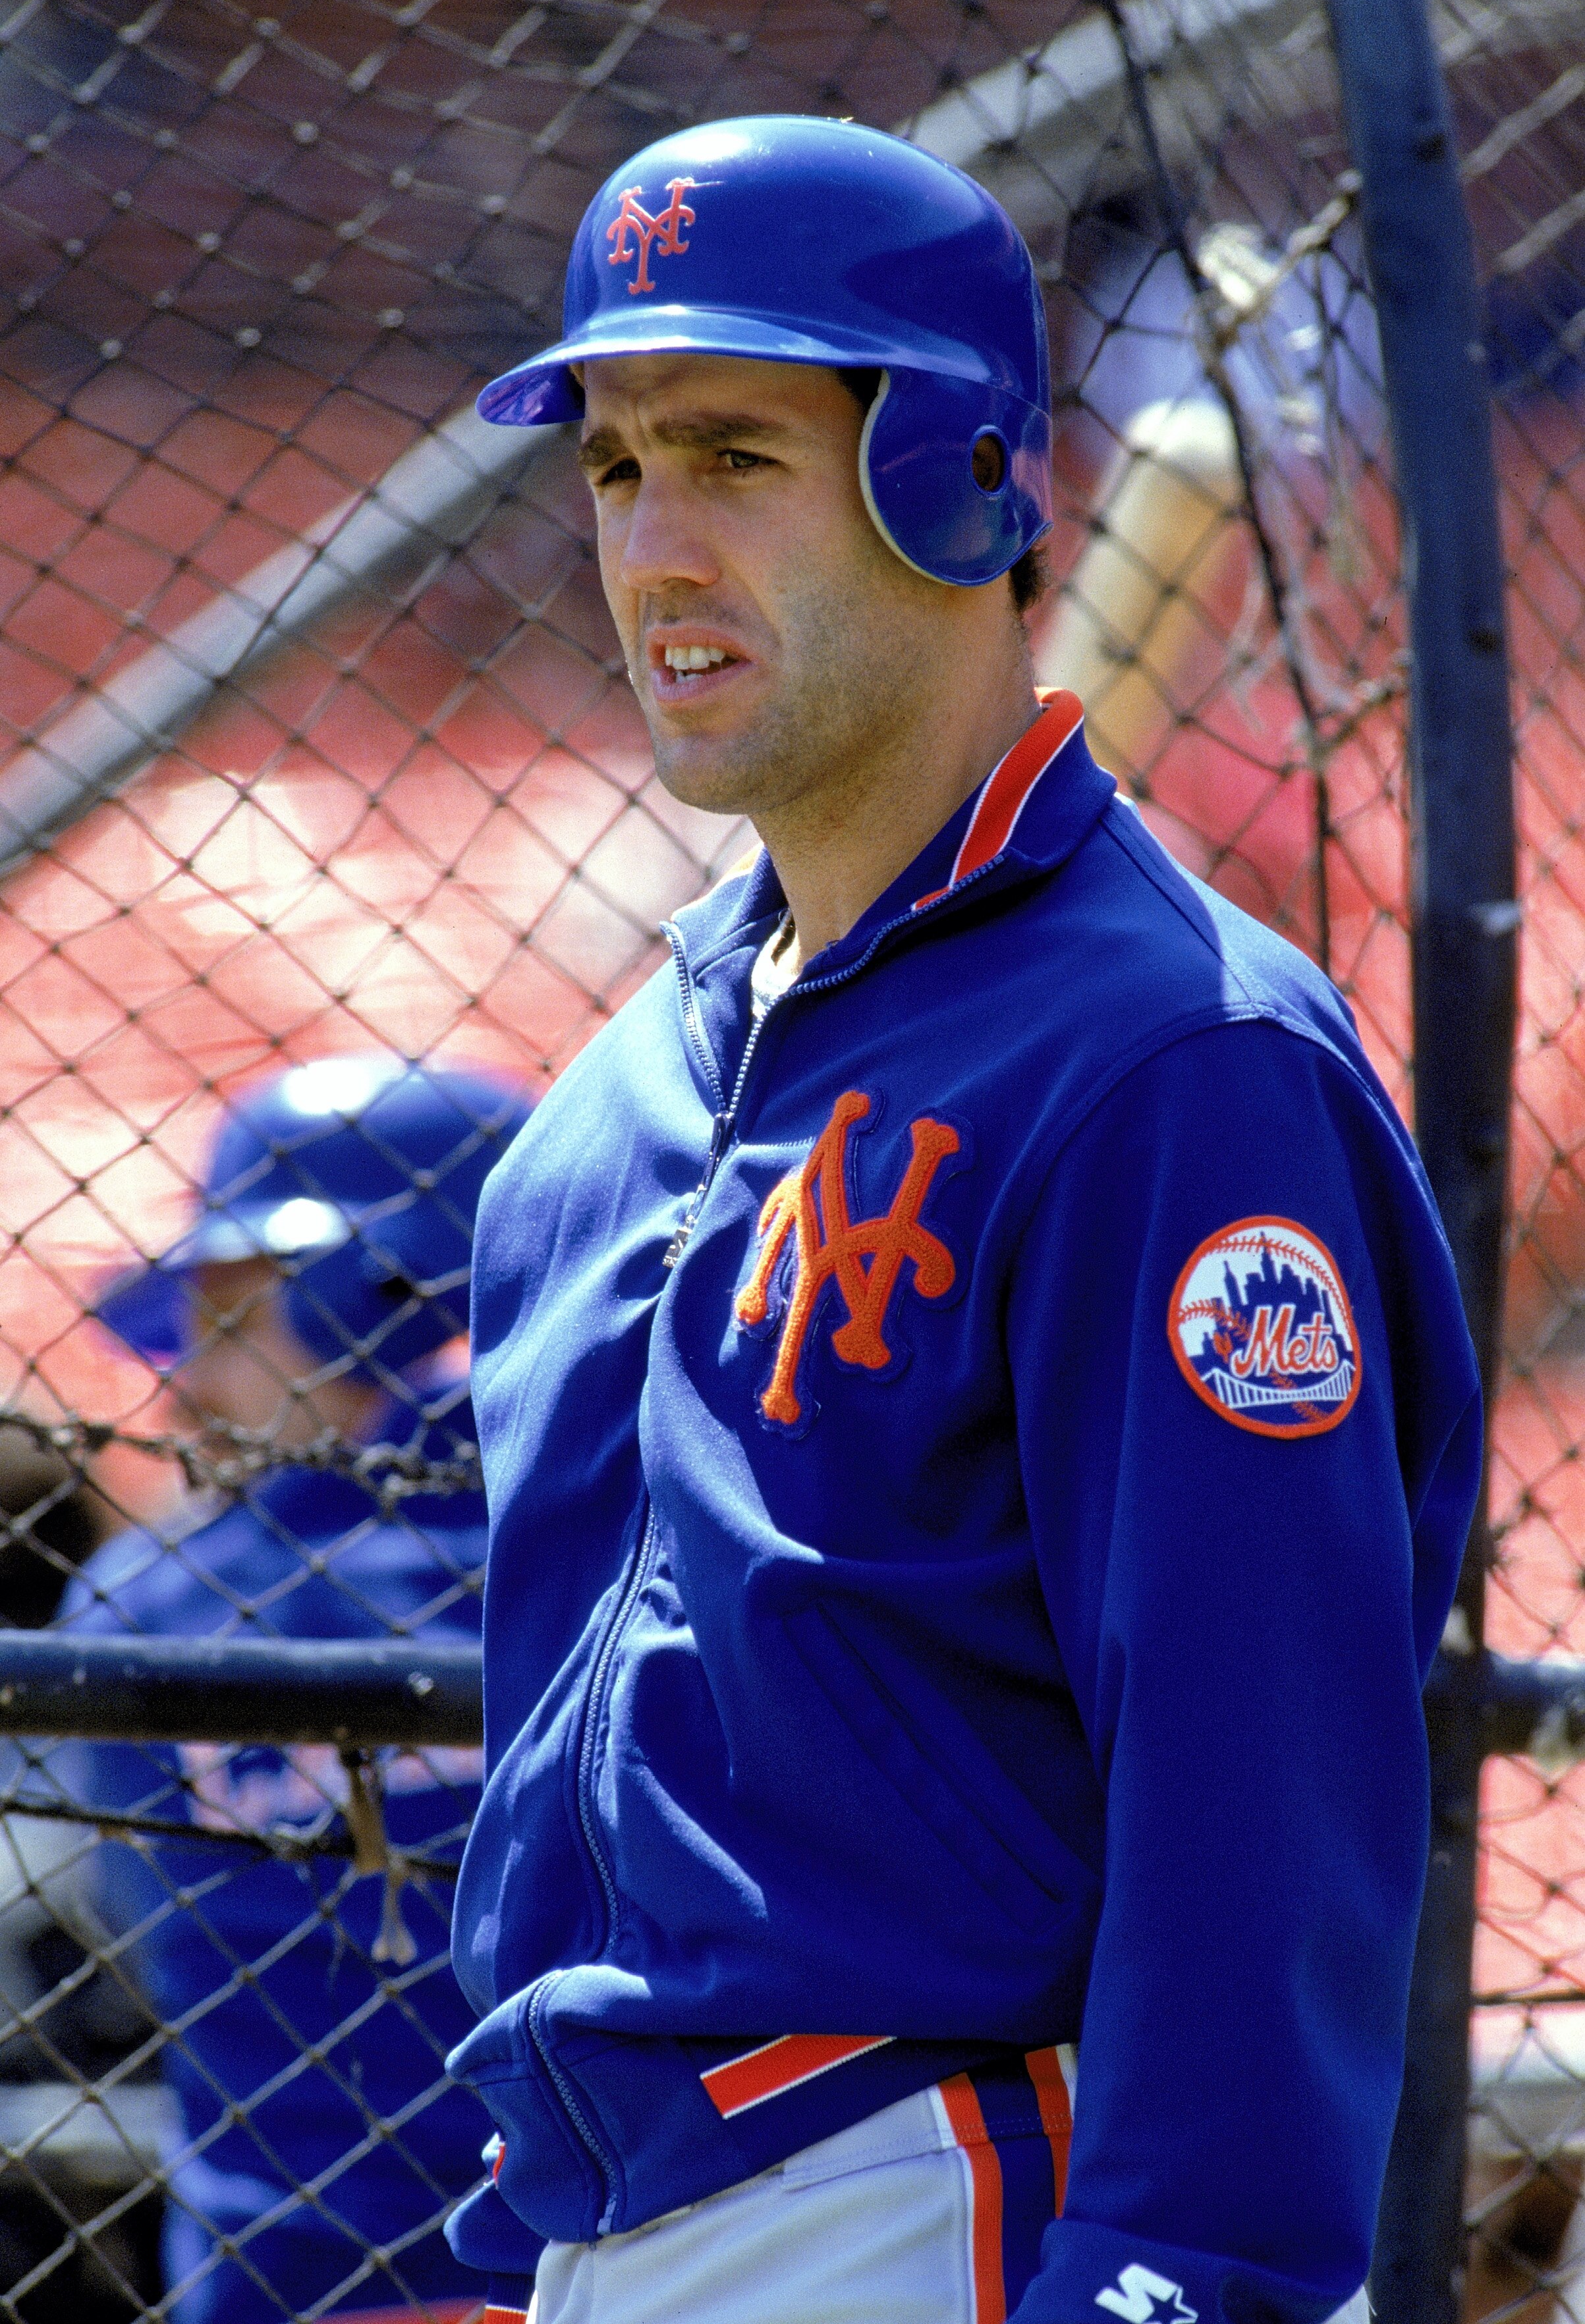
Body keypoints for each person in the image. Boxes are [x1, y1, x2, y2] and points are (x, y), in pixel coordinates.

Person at [443, 117, 1484, 2324]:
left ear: (957, 479)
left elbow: (1255, 1764)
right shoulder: (603, 1115)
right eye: (616, 468)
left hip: (928, 2194)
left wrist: (1181, 2273)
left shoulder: (1171, 1063)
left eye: (734, 453)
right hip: (602, 2212)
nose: (651, 545)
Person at [68, 1053, 529, 2324]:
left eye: (228, 1319)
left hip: (283, 2266)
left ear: (369, 1296)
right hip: (628, 2244)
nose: (191, 1382)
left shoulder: (154, 1594)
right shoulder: (630, 1537)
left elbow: (132, 1907)